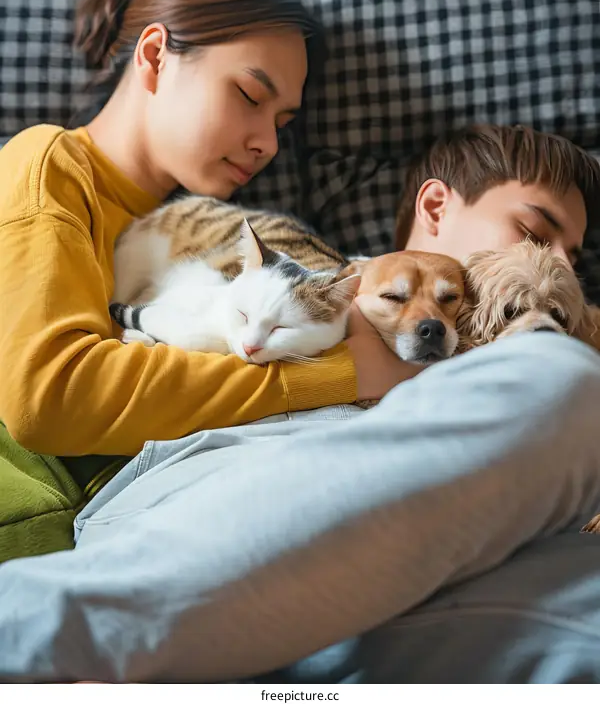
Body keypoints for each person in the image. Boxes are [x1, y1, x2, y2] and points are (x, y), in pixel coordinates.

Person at [2, 124, 600, 683]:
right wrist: (353, 371)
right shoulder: (303, 285)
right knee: (563, 381)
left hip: (417, 574)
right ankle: (29, 626)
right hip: (219, 481)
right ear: (436, 206)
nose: (557, 265)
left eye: (573, 256)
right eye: (535, 233)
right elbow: (70, 388)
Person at [0, 0, 416, 564]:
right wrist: (341, 374)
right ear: (155, 56)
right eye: (250, 95)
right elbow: (50, 398)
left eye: (283, 122)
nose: (268, 143)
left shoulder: (195, 236)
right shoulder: (50, 166)